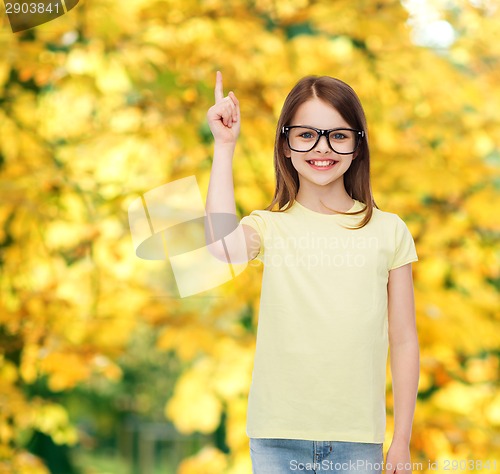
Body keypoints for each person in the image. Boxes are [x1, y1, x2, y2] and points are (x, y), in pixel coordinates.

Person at [205, 71, 419, 474]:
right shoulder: (268, 227)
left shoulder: (390, 230)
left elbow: (405, 340)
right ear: (285, 144)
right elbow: (221, 249)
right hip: (276, 438)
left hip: (358, 441)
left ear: (358, 146)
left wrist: (402, 440)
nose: (322, 147)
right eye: (306, 134)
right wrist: (224, 147)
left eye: (338, 135)